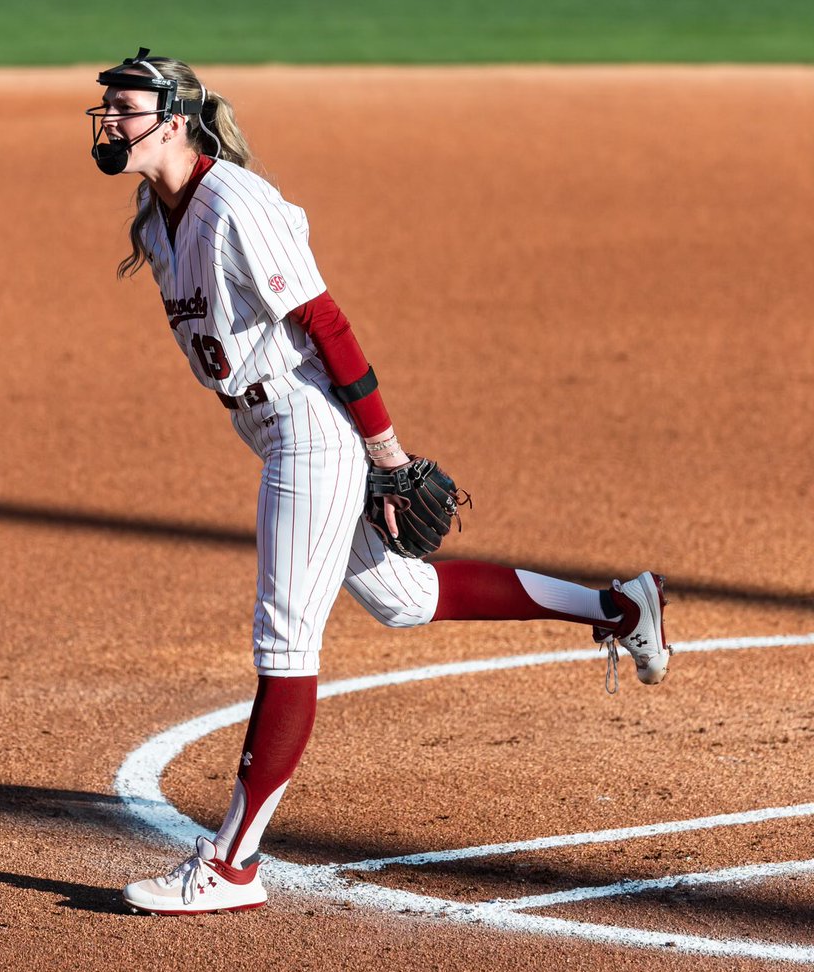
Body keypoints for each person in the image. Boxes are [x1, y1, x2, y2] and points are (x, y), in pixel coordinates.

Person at [85, 49, 672, 916]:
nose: (108, 121)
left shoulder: (236, 205)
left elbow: (326, 323)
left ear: (174, 120)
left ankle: (233, 866)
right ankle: (620, 607)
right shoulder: (157, 216)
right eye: (105, 107)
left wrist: (387, 454)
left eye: (124, 107)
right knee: (404, 597)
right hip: (272, 427)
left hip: (309, 431)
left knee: (286, 643)